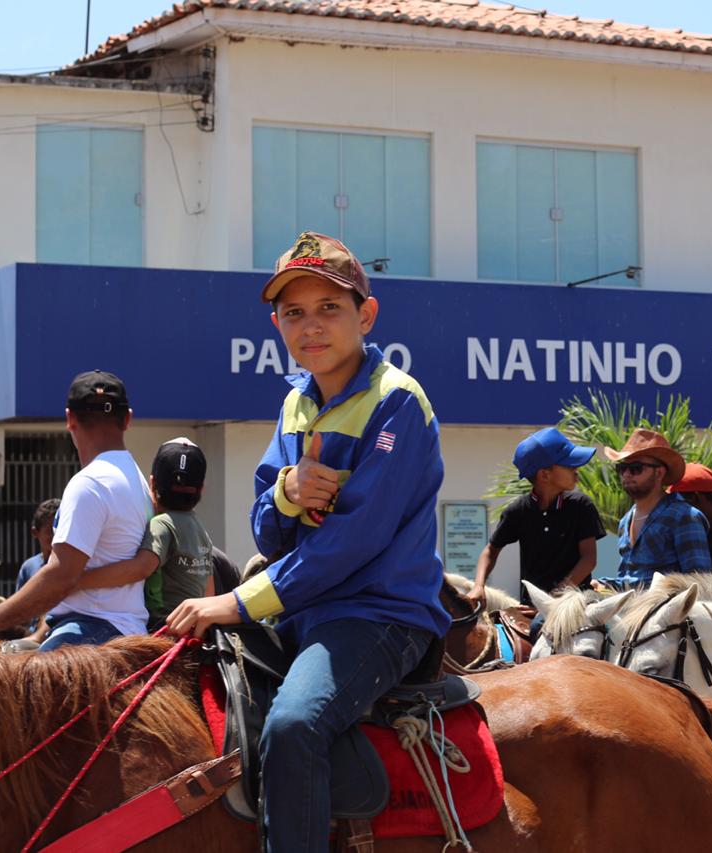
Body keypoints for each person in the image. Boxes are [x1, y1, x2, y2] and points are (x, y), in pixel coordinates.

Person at [164, 231, 450, 852]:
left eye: (329, 308)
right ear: (277, 322)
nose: (310, 327)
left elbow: (354, 544)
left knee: (294, 724)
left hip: (379, 614)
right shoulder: (296, 403)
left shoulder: (396, 403)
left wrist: (235, 604)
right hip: (305, 611)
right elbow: (267, 527)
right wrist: (289, 491)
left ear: (365, 315)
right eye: (294, 312)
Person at [0, 371, 151, 656]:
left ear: (69, 418)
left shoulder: (90, 484)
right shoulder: (137, 479)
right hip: (126, 630)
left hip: (88, 631)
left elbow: (60, 576)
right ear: (128, 419)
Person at [76, 438, 216, 631]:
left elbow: (141, 568)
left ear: (152, 483)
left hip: (163, 627)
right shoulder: (201, 530)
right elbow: (209, 592)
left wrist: (75, 581)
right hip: (190, 630)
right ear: (201, 489)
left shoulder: (161, 524)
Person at [470, 427, 605, 607]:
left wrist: (557, 596)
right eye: (569, 464)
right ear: (545, 475)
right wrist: (479, 586)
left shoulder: (581, 506)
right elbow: (490, 551)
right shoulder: (518, 511)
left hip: (576, 601)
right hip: (532, 606)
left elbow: (589, 559)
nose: (577, 469)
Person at [604, 428, 712, 587]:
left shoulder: (684, 516)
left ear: (659, 473)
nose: (626, 474)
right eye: (621, 468)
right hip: (633, 609)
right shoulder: (625, 521)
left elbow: (700, 583)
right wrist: (603, 585)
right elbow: (628, 580)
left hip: (668, 609)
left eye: (635, 468)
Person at [13, 498, 60, 641]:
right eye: (50, 532)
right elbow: (20, 611)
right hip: (33, 636)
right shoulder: (29, 567)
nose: (56, 537)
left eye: (60, 530)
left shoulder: (73, 566)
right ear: (35, 533)